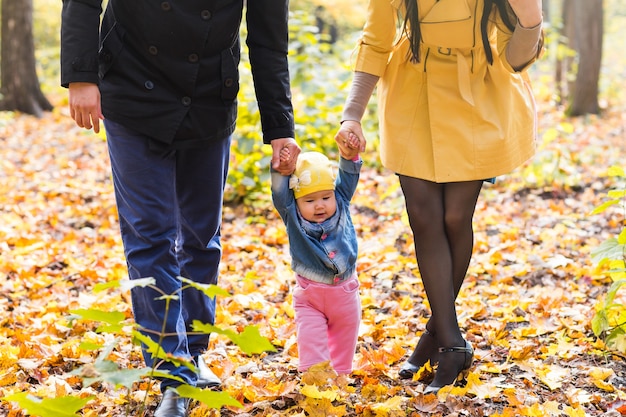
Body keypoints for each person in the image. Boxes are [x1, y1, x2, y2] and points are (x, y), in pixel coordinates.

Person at [60, 1, 300, 415]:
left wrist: (280, 127)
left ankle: (193, 348)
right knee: (150, 234)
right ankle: (174, 373)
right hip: (132, 83)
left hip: (208, 94)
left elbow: (268, 39)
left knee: (200, 236)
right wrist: (81, 75)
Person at [335, 0, 543, 394]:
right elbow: (376, 39)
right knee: (425, 218)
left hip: (478, 93)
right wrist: (352, 113)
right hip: (413, 90)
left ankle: (437, 335)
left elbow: (515, 60)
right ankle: (450, 342)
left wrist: (531, 19)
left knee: (454, 218)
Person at [270, 139, 364, 375]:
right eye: (309, 201)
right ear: (297, 201)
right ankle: (316, 383)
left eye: (325, 197)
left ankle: (340, 380)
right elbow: (280, 192)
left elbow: (348, 175)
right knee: (312, 348)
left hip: (345, 294)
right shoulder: (292, 214)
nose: (319, 206)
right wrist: (281, 168)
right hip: (309, 297)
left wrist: (350, 155)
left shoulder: (341, 200)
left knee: (343, 350)